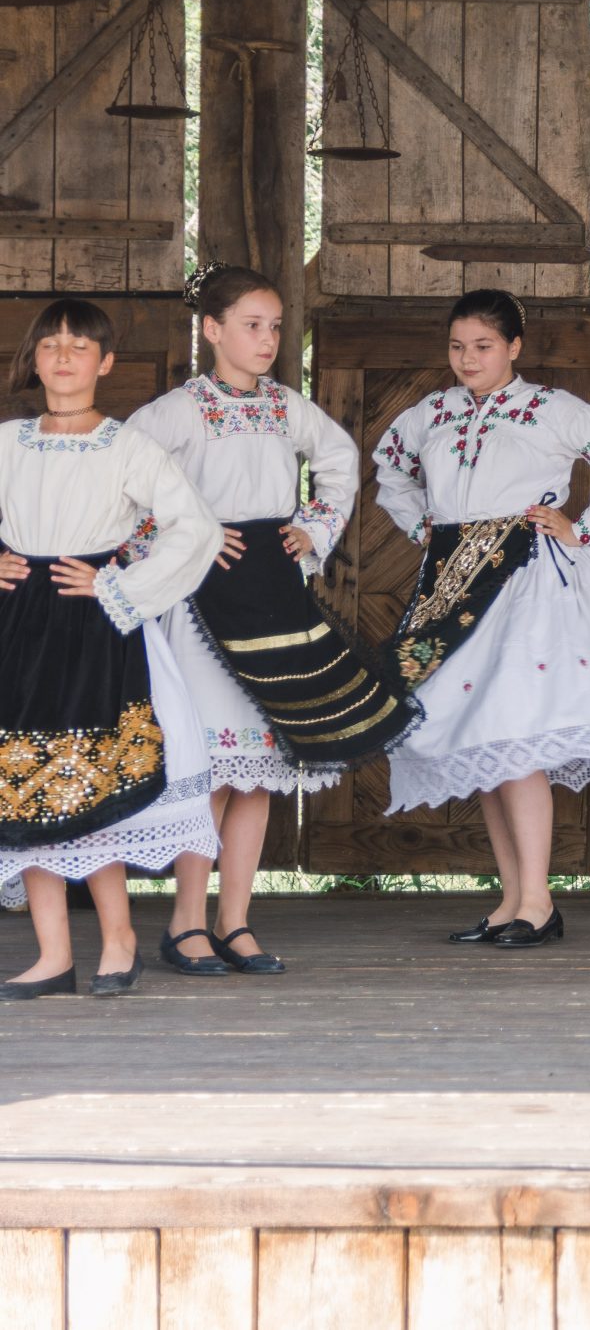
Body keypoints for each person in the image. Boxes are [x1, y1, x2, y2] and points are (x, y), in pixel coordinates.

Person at [372, 288, 590, 949]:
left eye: (482, 346)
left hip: (526, 583)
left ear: (514, 347)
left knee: (513, 735)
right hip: (452, 588)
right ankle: (513, 898)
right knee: (481, 740)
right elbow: (389, 465)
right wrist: (423, 524)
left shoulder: (551, 410)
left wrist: (583, 526)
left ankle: (538, 900)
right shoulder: (434, 413)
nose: (467, 359)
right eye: (457, 346)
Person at [126, 263, 418, 978]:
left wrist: (313, 527)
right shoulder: (178, 410)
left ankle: (236, 920)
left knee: (258, 773)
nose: (267, 339)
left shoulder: (288, 405)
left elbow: (341, 457)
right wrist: (184, 532)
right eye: (252, 325)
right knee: (215, 770)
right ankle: (186, 924)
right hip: (206, 604)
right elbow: (122, 474)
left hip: (274, 595)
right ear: (213, 329)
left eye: (276, 326)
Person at [0, 299, 222, 998]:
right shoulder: (7, 441)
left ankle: (119, 938)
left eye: (79, 346)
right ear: (34, 359)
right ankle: (52, 952)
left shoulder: (127, 446)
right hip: (19, 626)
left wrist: (121, 587)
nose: (63, 356)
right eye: (51, 345)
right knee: (24, 784)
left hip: (93, 622)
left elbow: (197, 528)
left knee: (90, 778)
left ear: (105, 363)